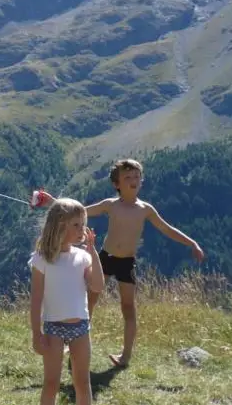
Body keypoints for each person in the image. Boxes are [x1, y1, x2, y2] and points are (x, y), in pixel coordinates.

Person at [85, 158, 205, 368]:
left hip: (127, 262)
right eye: (127, 177)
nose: (133, 180)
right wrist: (53, 203)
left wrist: (192, 242)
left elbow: (167, 229)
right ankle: (77, 342)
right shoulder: (110, 205)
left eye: (136, 177)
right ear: (117, 184)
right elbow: (81, 211)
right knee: (90, 301)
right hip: (106, 258)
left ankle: (126, 356)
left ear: (141, 180)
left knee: (128, 307)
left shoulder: (145, 209)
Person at [29, 198, 105, 405]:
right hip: (53, 328)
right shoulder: (43, 258)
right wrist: (37, 334)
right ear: (60, 225)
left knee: (82, 382)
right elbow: (36, 299)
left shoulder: (83, 257)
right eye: (76, 225)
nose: (82, 229)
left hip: (81, 327)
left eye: (83, 224)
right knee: (51, 382)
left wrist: (93, 253)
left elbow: (97, 286)